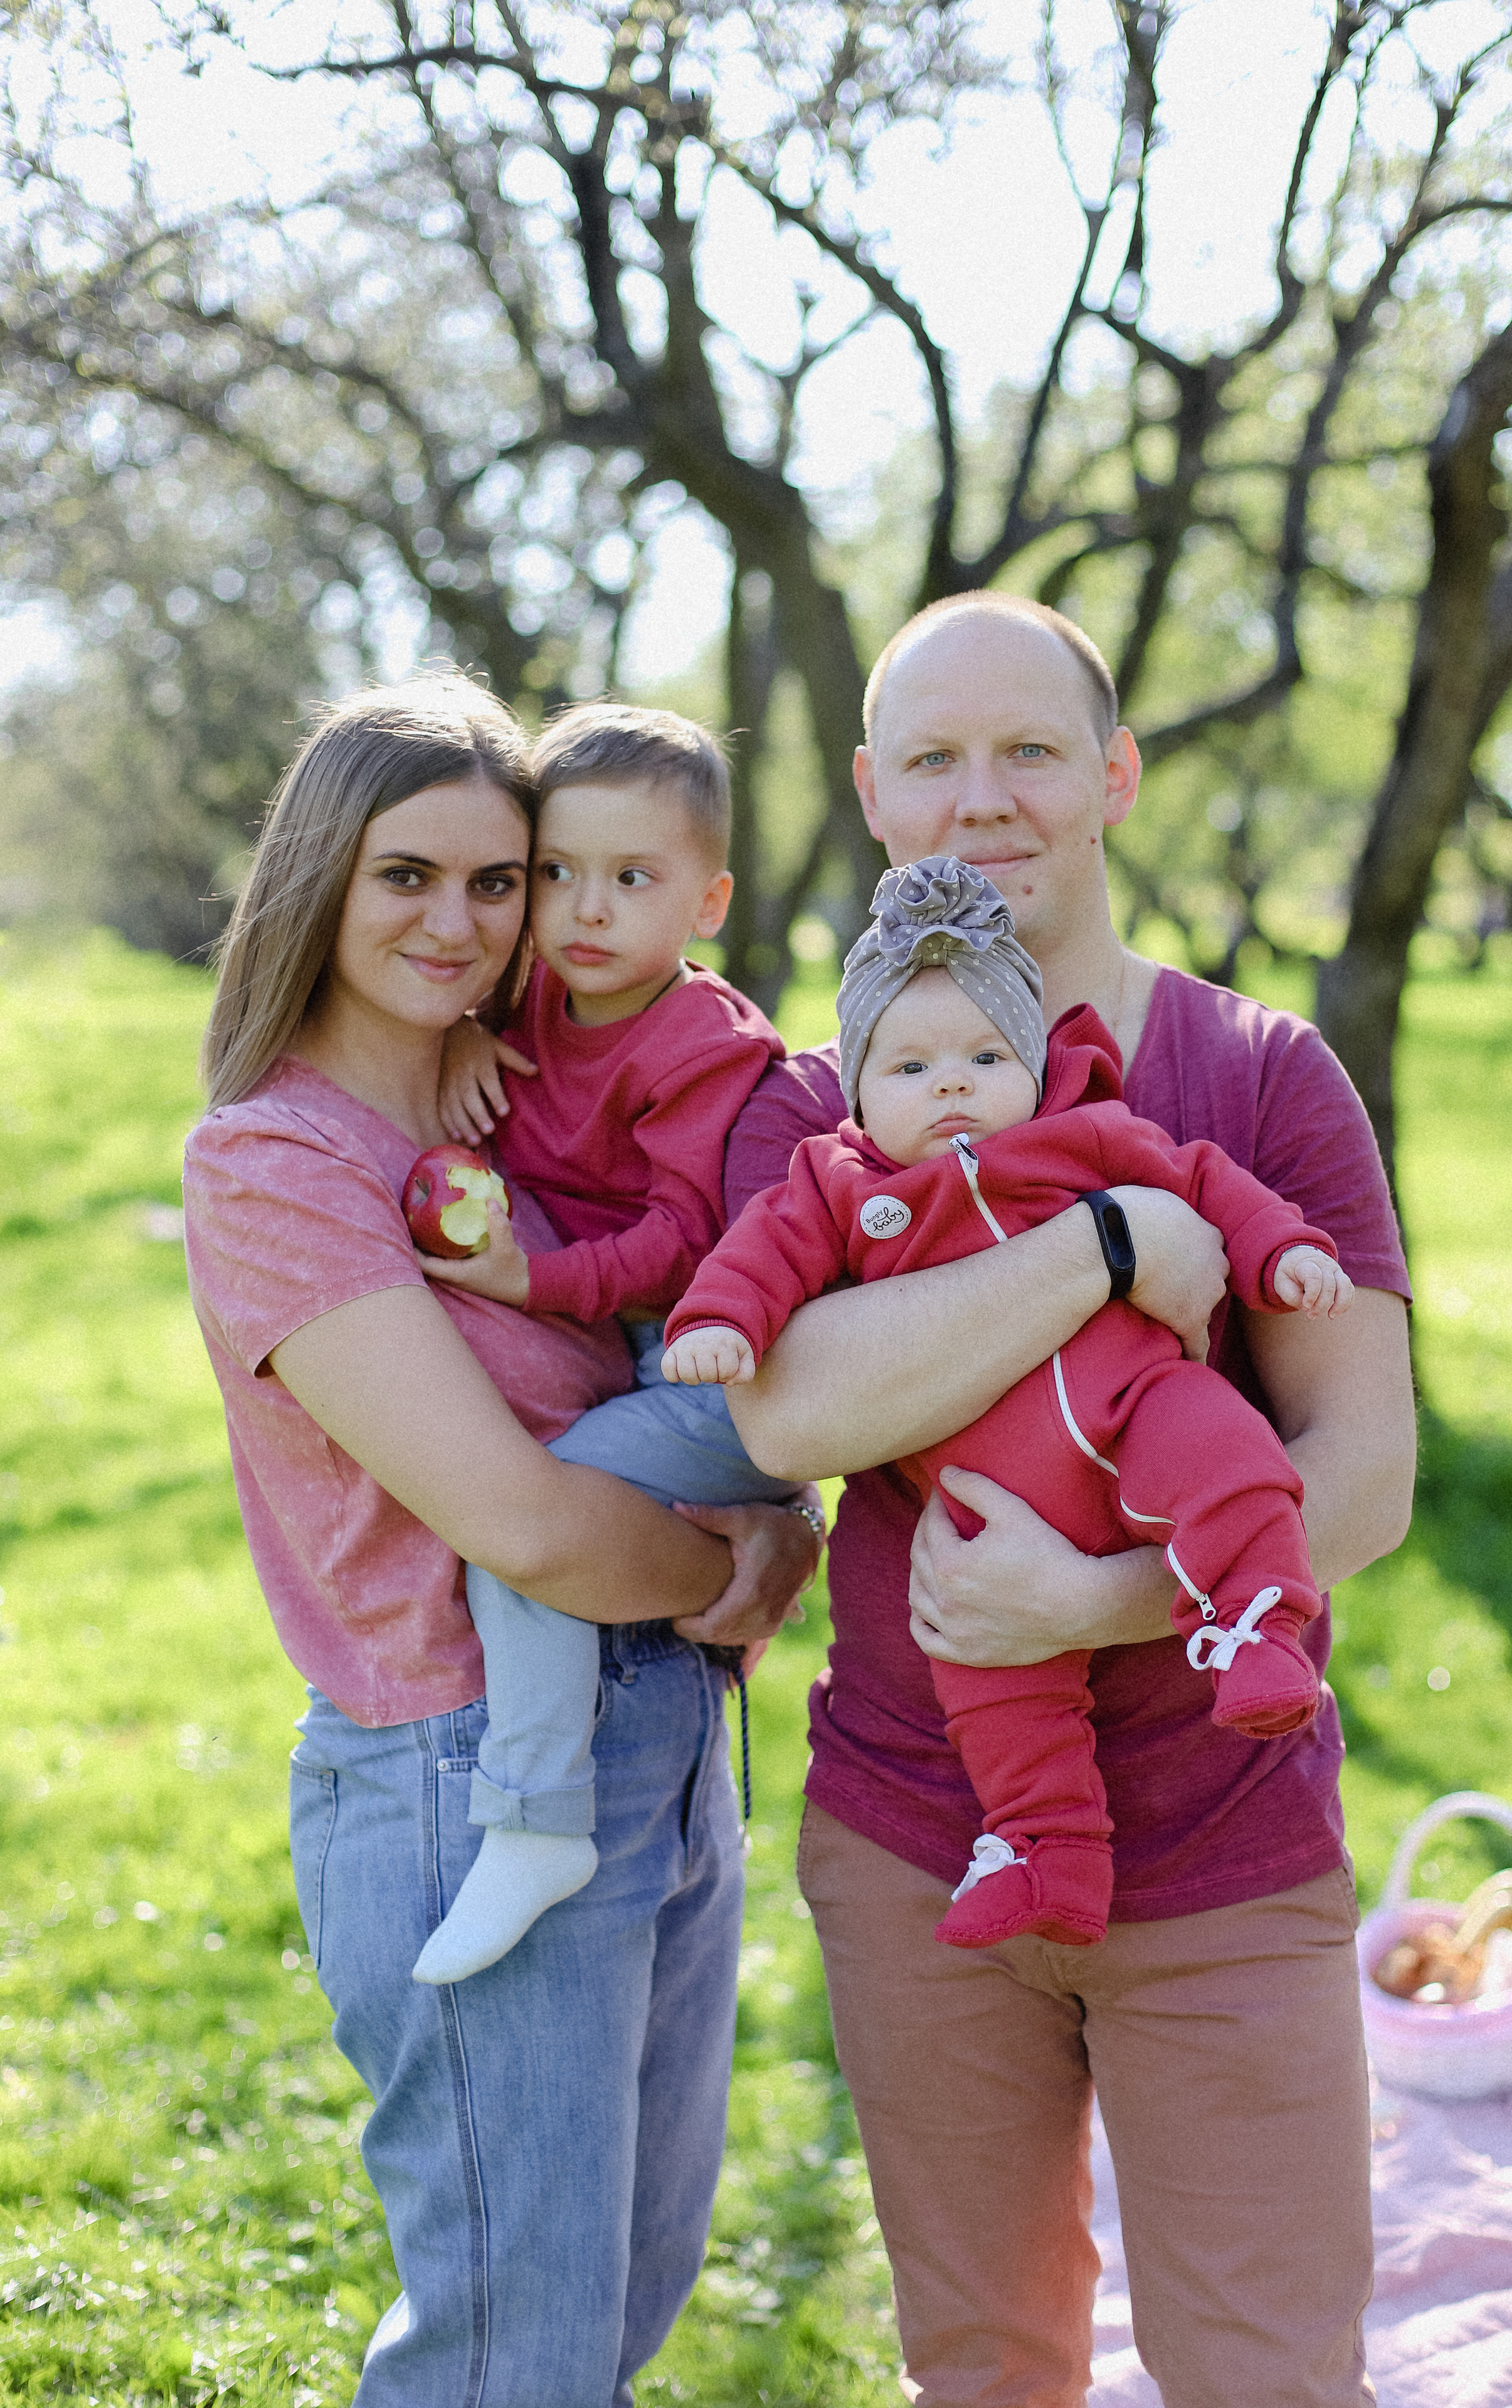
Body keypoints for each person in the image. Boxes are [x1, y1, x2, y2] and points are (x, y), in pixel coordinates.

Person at [722, 595, 1416, 2407]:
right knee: (984, 2367)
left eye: (1029, 750)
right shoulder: (821, 1107)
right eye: (934, 760)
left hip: (1224, 1841)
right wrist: (1104, 1240)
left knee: (1267, 2375)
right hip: (918, 1844)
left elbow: (1364, 1475)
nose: (983, 799)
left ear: (1112, 775)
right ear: (872, 794)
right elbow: (787, 1414)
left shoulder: (1257, 1075)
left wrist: (1100, 1604)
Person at [182, 675, 817, 2406]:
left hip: (665, 1742)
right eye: (407, 876)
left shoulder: (533, 1106)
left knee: (616, 2315)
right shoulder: (278, 1163)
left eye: (498, 880)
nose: (459, 923)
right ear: (320, 879)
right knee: (509, 2362)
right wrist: (744, 1569)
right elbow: (524, 1521)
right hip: (464, 1774)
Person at [661, 851, 1353, 1950]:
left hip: (1141, 1413)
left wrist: (1282, 1251)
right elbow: (760, 1259)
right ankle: (1046, 1851)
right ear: (857, 1089)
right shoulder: (838, 1186)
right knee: (989, 1675)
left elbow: (1210, 1184)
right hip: (990, 1507)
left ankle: (1257, 1624)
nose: (952, 1085)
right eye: (911, 1066)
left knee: (1228, 1455)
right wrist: (719, 1324)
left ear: (1035, 1064)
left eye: (986, 1057)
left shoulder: (1090, 1135)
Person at [402, 703, 805, 1987]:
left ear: (707, 901)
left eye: (633, 879)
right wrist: (468, 1034)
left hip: (712, 1367)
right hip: (634, 1356)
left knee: (537, 1521)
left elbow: (683, 1244)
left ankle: (536, 1821)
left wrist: (533, 1280)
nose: (585, 910)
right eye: (557, 872)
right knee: (544, 1513)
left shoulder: (703, 1044)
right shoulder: (528, 996)